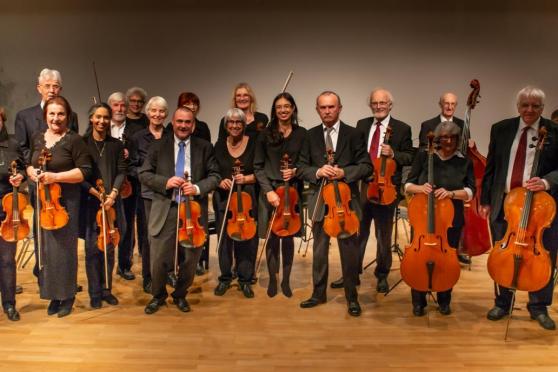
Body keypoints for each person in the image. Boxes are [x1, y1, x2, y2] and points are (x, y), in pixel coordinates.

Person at [481, 86, 558, 331]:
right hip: (505, 204)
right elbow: (491, 166)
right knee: (502, 252)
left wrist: (546, 182)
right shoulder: (501, 129)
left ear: (543, 108)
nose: (529, 110)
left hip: (539, 208)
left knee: (545, 255)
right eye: (525, 105)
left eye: (535, 106)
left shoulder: (555, 131)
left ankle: (539, 306)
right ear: (518, 106)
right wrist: (485, 200)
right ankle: (503, 302)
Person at [297, 91, 372, 317]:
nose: (327, 111)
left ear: (340, 108)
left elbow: (366, 166)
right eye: (323, 107)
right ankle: (318, 294)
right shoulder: (309, 136)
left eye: (331, 107)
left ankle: (352, 297)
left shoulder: (354, 134)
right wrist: (318, 171)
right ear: (317, 109)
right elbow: (301, 167)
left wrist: (344, 172)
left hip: (346, 203)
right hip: (321, 200)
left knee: (348, 252)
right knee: (319, 251)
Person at [139, 107, 219, 314]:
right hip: (166, 208)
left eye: (188, 122)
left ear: (193, 125)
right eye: (179, 121)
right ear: (172, 123)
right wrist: (166, 181)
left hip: (192, 209)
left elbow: (215, 176)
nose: (183, 125)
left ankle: (180, 294)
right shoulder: (158, 146)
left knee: (190, 258)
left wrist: (198, 187)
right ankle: (158, 296)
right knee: (158, 258)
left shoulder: (204, 147)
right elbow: (144, 174)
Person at [336, 88, 413, 294]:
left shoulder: (402, 128)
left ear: (390, 105)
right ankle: (352, 274)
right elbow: (355, 153)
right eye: (375, 103)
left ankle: (382, 274)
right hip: (362, 186)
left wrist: (394, 153)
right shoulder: (362, 125)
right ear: (371, 105)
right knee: (357, 233)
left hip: (386, 189)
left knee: (383, 235)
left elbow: (410, 157)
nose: (378, 106)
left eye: (382, 103)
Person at [26, 96, 92, 317]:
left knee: (64, 251)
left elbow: (83, 171)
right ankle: (52, 294)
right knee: (46, 250)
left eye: (60, 114)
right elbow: (29, 163)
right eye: (52, 113)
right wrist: (31, 172)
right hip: (43, 202)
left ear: (68, 116)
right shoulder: (37, 138)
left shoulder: (74, 140)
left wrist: (55, 176)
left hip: (65, 203)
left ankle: (67, 295)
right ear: (46, 116)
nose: (56, 118)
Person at [14, 68, 79, 283]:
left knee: (64, 230)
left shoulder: (71, 115)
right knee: (41, 228)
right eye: (47, 86)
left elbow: (73, 148)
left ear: (60, 88)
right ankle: (44, 274)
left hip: (63, 185)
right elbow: (22, 148)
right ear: (39, 88)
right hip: (37, 183)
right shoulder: (24, 116)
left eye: (55, 86)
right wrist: (30, 170)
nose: (51, 90)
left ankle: (64, 277)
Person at [404, 121, 475, 316]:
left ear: (458, 139)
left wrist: (451, 194)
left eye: (453, 137)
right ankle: (418, 301)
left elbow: (470, 191)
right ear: (437, 139)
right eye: (444, 137)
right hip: (422, 217)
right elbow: (408, 184)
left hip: (450, 218)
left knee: (447, 260)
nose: (449, 141)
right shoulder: (423, 156)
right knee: (419, 258)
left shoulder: (464, 160)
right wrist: (421, 188)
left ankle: (444, 298)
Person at [254, 92, 306, 297]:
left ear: (293, 109)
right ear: (274, 111)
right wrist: (268, 192)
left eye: (287, 106)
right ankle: (273, 279)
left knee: (288, 237)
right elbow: (258, 167)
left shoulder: (302, 134)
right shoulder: (265, 134)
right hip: (270, 192)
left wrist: (295, 171)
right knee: (272, 238)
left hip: (292, 193)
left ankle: (286, 280)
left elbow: (305, 162)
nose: (283, 110)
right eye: (279, 107)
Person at [81, 103, 127, 309]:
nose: (102, 121)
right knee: (92, 249)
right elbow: (78, 174)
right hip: (90, 202)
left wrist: (114, 194)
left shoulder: (116, 145)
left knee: (109, 247)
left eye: (106, 117)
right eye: (98, 117)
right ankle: (94, 292)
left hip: (111, 203)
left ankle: (107, 289)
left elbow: (121, 171)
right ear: (91, 118)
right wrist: (94, 192)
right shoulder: (81, 143)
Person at [418, 92, 470, 264]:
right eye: (446, 103)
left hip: (453, 198)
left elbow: (463, 154)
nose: (449, 107)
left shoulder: (462, 125)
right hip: (428, 202)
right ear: (440, 104)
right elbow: (423, 151)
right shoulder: (428, 125)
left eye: (453, 104)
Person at [213, 108, 259, 298]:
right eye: (230, 122)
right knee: (224, 239)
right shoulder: (218, 145)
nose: (234, 125)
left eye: (238, 122)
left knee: (246, 238)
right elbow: (213, 169)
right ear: (226, 125)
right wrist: (219, 180)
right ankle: (225, 278)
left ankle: (245, 279)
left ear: (244, 124)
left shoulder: (254, 144)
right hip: (224, 197)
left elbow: (261, 171)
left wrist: (246, 179)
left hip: (246, 198)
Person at [129, 96, 169, 293]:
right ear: (147, 113)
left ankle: (165, 272)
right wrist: (150, 179)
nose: (157, 115)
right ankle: (148, 276)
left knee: (167, 236)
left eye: (161, 111)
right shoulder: (137, 137)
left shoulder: (171, 135)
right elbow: (132, 167)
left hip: (169, 193)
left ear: (166, 114)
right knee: (147, 237)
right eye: (153, 110)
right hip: (146, 194)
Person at [108, 92, 143, 281]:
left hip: (128, 184)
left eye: (123, 105)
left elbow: (140, 156)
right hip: (106, 184)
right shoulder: (101, 126)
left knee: (127, 225)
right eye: (116, 105)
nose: (120, 109)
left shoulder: (136, 130)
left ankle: (124, 265)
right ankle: (106, 265)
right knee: (107, 224)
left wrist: (131, 153)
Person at [176, 92, 212, 274]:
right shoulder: (172, 128)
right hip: (177, 187)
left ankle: (198, 260)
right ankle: (180, 262)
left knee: (198, 223)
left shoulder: (203, 127)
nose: (191, 107)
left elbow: (207, 155)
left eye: (194, 104)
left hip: (196, 182)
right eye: (186, 104)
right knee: (180, 225)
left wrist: (198, 186)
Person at [0, 106, 26, 321]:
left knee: (7, 260)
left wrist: (21, 178)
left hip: (8, 211)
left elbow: (25, 169)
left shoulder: (13, 144)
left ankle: (9, 304)